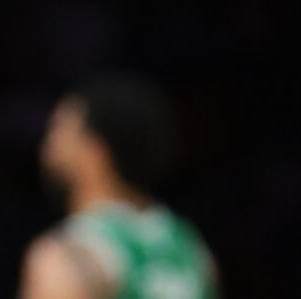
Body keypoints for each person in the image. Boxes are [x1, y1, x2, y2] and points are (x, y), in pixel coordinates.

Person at [22, 76, 220, 299]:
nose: (47, 149)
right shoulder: (192, 248)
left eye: (58, 131)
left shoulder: (66, 258)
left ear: (94, 151)